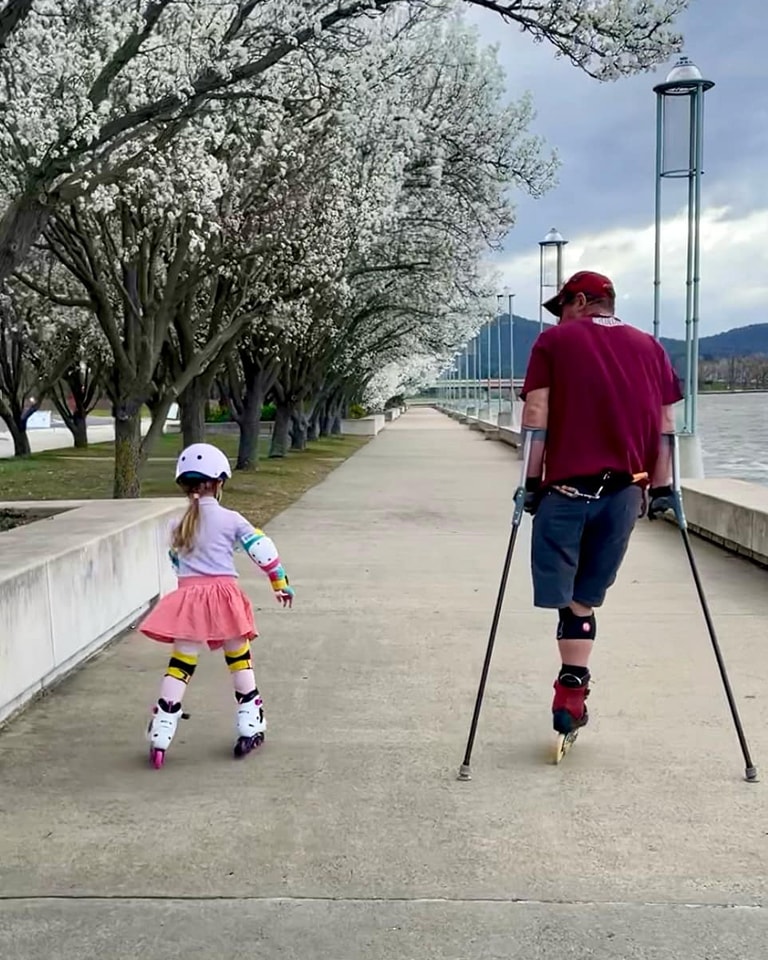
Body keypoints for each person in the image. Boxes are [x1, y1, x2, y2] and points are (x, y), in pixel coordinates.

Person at [519, 270, 682, 739]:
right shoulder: (651, 348)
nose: (559, 318)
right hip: (625, 495)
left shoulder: (553, 345)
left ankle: (571, 689)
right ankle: (574, 688)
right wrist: (665, 486)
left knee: (568, 601)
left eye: (563, 307)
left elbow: (535, 415)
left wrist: (530, 484)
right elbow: (666, 422)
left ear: (584, 299)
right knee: (585, 599)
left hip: (567, 493)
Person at [138, 442, 294, 767]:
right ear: (219, 482)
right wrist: (280, 584)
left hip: (190, 600)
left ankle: (162, 730)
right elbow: (263, 550)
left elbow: (175, 561)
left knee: (180, 666)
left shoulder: (176, 525)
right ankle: (250, 721)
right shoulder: (231, 519)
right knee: (239, 660)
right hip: (225, 598)